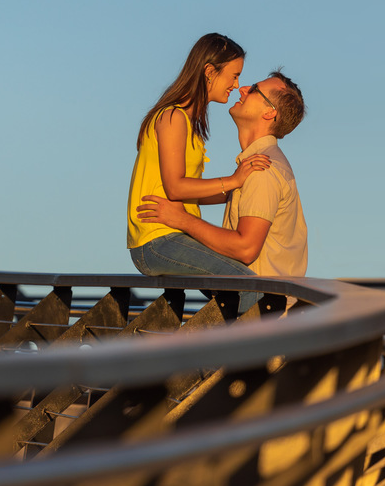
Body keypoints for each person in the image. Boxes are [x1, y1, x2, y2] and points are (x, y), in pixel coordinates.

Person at [134, 71, 308, 311]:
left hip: (264, 320)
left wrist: (181, 220)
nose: (242, 88)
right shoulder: (254, 166)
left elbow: (246, 248)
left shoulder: (263, 169)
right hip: (262, 317)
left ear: (269, 112)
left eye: (254, 89)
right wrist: (179, 191)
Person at [126, 34, 272, 280]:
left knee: (239, 284)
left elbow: (191, 193)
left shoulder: (188, 123)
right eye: (234, 75)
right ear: (210, 72)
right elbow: (175, 188)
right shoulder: (172, 117)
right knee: (246, 283)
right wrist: (233, 180)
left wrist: (242, 188)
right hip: (157, 239)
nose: (236, 85)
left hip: (173, 236)